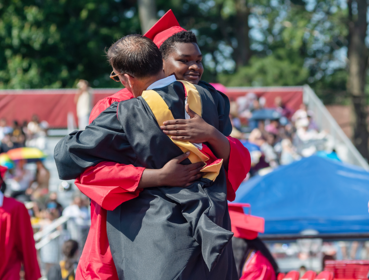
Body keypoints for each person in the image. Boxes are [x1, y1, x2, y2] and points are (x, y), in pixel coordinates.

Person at [72, 10, 250, 280]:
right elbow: (92, 173)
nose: (195, 68)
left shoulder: (204, 100)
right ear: (158, 62)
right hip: (139, 233)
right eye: (184, 60)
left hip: (199, 227)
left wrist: (213, 135)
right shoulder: (116, 107)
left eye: (198, 60)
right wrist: (154, 177)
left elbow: (236, 161)